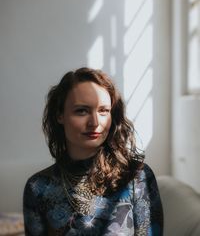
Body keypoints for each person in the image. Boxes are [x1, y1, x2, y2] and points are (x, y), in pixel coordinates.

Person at [23, 67, 163, 235]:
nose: (95, 122)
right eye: (81, 111)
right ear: (60, 115)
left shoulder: (138, 178)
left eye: (103, 110)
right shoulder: (37, 187)